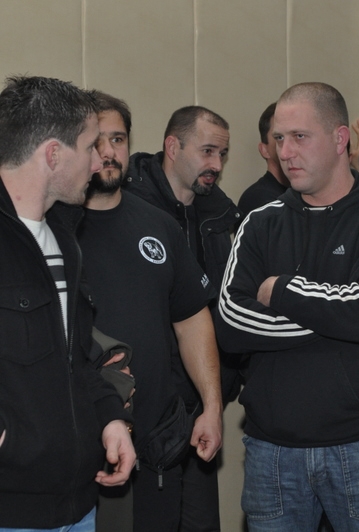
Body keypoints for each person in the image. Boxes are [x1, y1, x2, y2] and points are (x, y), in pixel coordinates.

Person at [215, 82, 359, 531]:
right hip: (272, 452)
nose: (285, 152)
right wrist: (338, 313)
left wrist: (281, 290)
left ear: (340, 138)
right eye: (279, 138)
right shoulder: (260, 222)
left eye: (300, 137)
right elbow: (230, 323)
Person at [78, 91, 223, 532]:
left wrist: (212, 406)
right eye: (96, 140)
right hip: (82, 441)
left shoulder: (159, 225)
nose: (109, 152)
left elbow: (192, 320)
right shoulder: (54, 229)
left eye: (118, 139)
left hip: (156, 443)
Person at [0, 75, 135, 530]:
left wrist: (110, 419)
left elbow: (75, 359)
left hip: (78, 506)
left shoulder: (63, 237)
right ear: (53, 154)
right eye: (91, 146)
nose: (100, 161)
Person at [124, 105, 242, 531]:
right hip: (145, 405)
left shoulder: (221, 214)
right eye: (207, 151)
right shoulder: (127, 208)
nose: (217, 165)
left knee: (200, 521)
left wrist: (223, 386)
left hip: (202, 401)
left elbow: (222, 304)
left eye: (222, 154)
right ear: (172, 147)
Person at [238, 102, 289, 216]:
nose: (290, 145)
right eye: (280, 137)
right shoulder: (259, 199)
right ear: (264, 150)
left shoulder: (305, 194)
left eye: (298, 135)